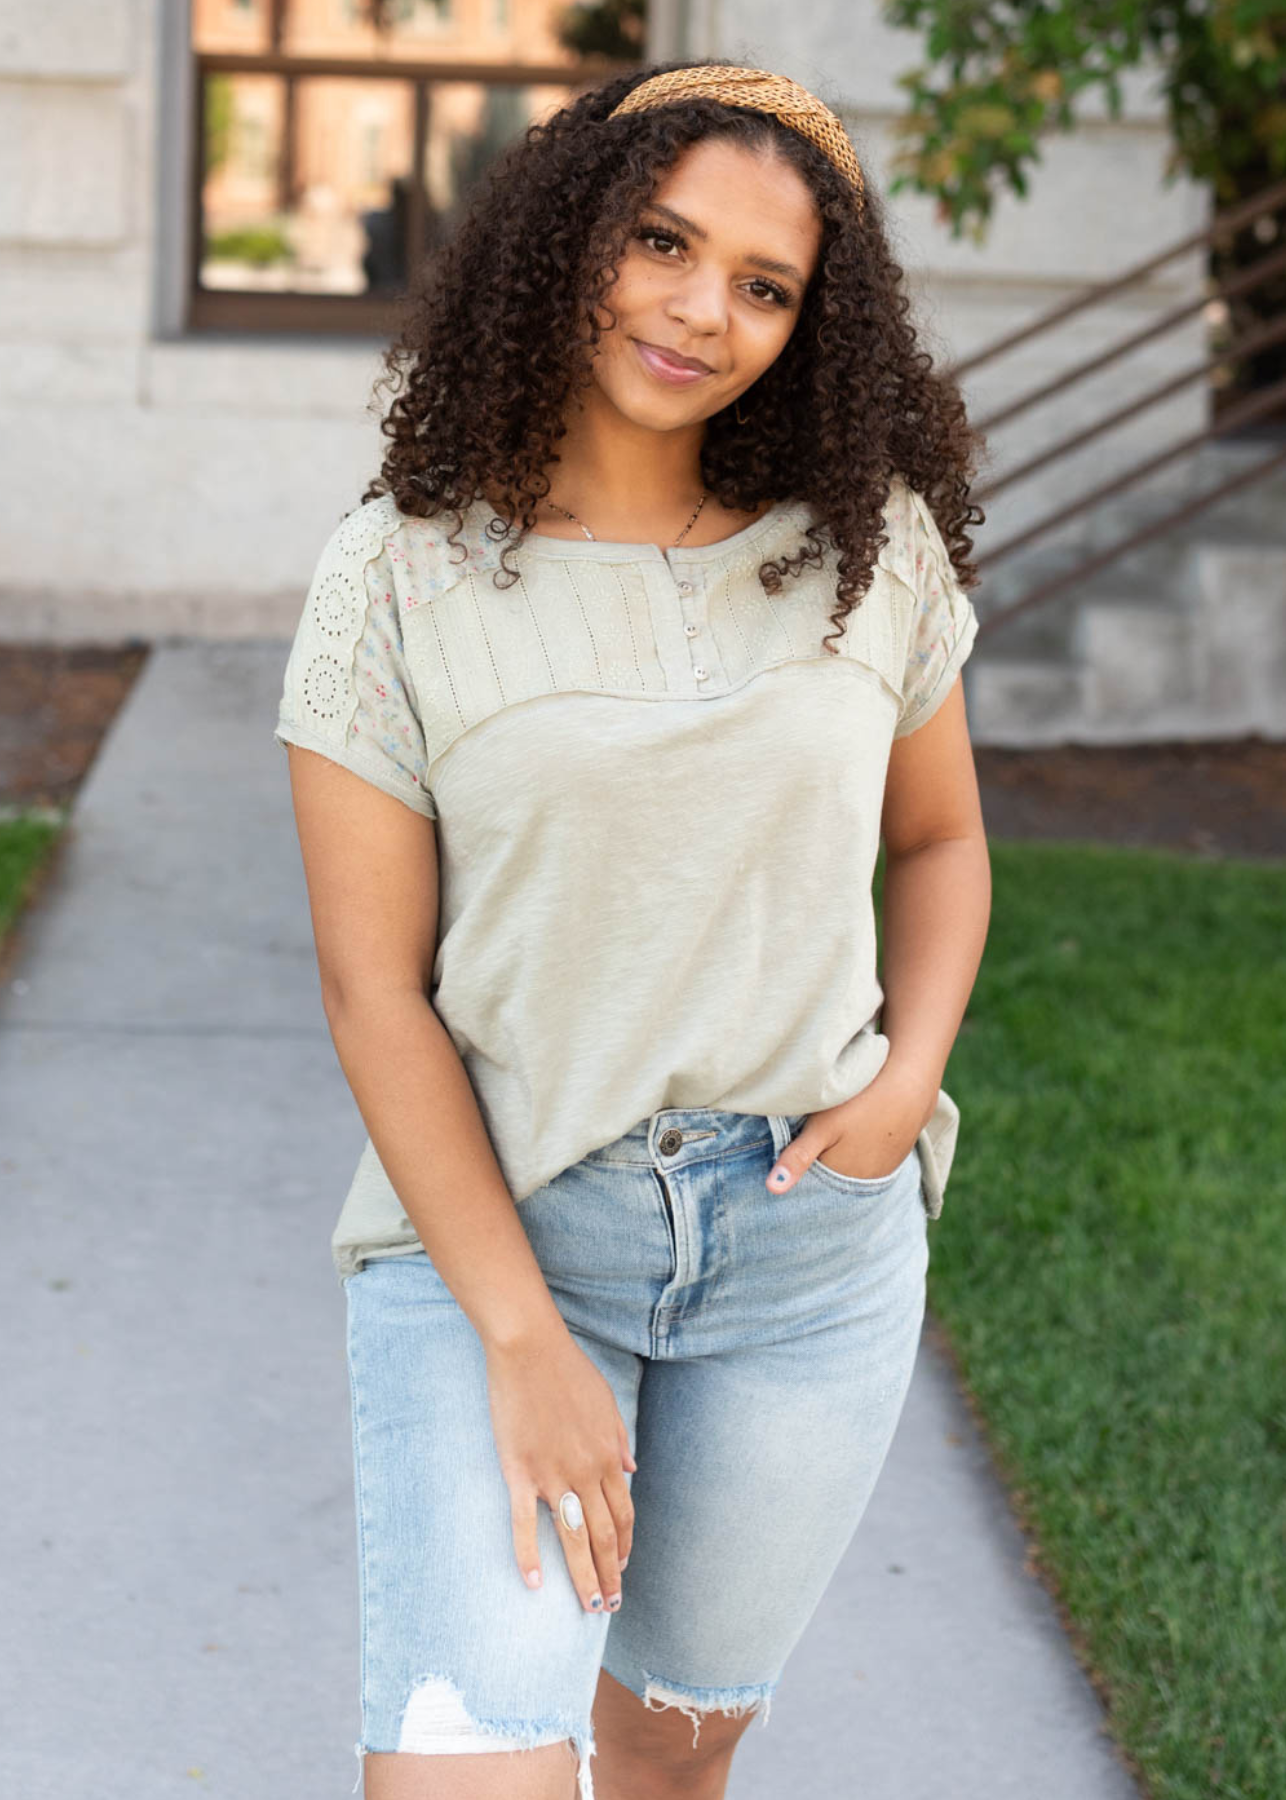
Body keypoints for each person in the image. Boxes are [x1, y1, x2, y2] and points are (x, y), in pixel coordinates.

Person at [273, 57, 992, 1800]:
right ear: (562, 240)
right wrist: (523, 1337)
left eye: (764, 285)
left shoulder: (865, 548)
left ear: (813, 328)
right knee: (467, 1774)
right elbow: (376, 996)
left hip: (803, 1257)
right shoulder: (400, 575)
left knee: (672, 1756)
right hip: (507, 1237)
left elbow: (944, 838)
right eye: (661, 242)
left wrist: (910, 1077)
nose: (700, 311)